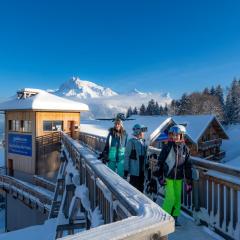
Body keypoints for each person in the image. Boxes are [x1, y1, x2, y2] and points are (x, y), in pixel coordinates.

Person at [156, 124, 192, 226]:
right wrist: (160, 177)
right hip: (168, 178)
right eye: (173, 134)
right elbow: (160, 162)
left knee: (177, 199)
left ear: (182, 135)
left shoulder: (185, 149)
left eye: (177, 135)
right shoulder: (167, 147)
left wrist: (189, 183)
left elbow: (188, 166)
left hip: (179, 178)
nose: (175, 137)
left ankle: (175, 219)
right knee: (170, 198)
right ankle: (164, 220)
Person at [124, 124, 148, 192]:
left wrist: (146, 163)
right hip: (134, 171)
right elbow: (126, 156)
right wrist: (126, 169)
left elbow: (145, 156)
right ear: (138, 132)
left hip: (142, 171)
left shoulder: (143, 142)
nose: (143, 133)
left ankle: (140, 201)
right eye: (142, 132)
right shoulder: (131, 142)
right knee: (133, 189)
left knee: (141, 188)